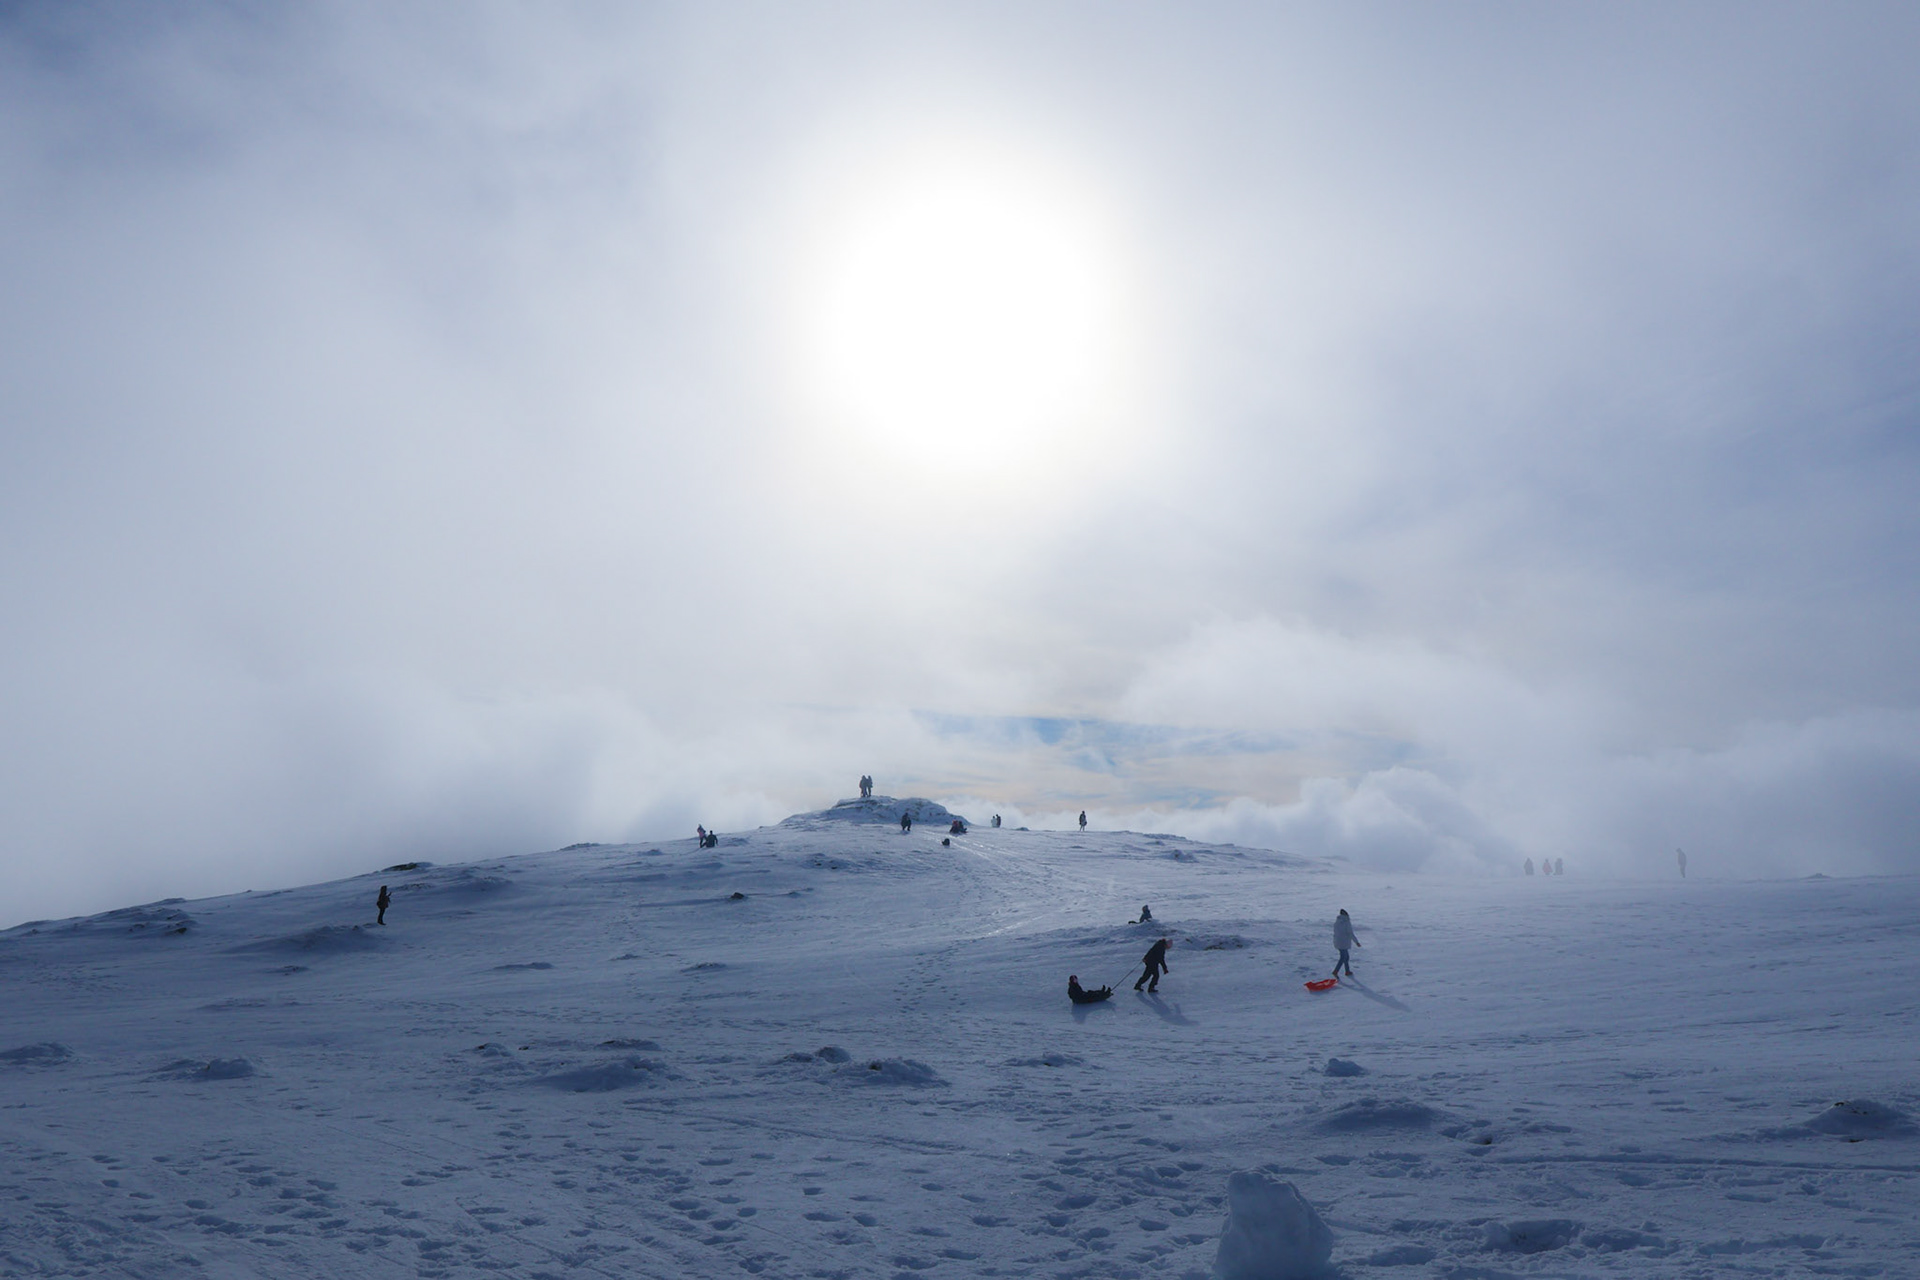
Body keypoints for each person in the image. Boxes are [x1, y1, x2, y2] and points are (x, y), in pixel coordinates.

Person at [1332, 909, 1359, 978]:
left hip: (1338, 942)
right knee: (1343, 957)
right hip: (1344, 942)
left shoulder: (1337, 922)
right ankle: (1336, 971)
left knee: (1346, 957)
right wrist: (1356, 942)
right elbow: (1350, 933)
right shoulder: (1346, 922)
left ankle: (1347, 971)